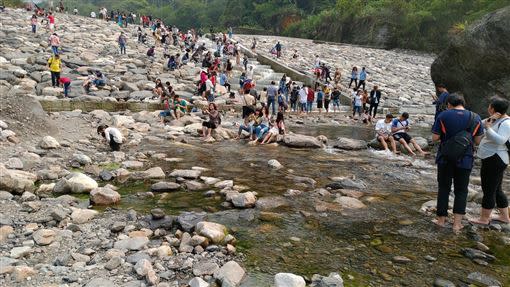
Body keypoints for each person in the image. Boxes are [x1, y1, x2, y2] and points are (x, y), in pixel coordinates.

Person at [431, 93, 484, 233]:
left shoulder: (443, 116)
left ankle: (441, 220)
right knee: (461, 190)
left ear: (449, 104)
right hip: (465, 159)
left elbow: (435, 137)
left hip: (445, 157)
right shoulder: (475, 117)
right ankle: (457, 224)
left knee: (444, 188)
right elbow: (478, 141)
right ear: (463, 103)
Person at [471, 97, 510, 225]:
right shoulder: (496, 119)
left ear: (492, 108)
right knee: (496, 189)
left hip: (496, 158)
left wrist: (488, 127)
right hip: (491, 158)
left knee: (488, 189)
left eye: (489, 106)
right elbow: (479, 124)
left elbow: (501, 140)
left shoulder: (506, 123)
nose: (488, 108)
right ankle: (505, 217)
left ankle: (484, 219)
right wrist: (489, 121)